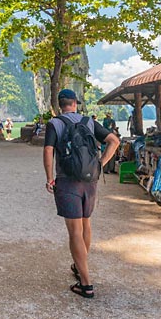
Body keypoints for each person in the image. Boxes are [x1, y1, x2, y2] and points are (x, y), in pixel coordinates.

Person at [43, 89, 119, 299]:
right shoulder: (89, 122)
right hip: (90, 181)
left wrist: (50, 177)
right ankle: (80, 266)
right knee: (86, 224)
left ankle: (86, 284)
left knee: (74, 231)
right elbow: (114, 141)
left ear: (60, 105)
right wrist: (100, 164)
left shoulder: (55, 123)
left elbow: (48, 150)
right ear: (76, 103)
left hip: (68, 181)